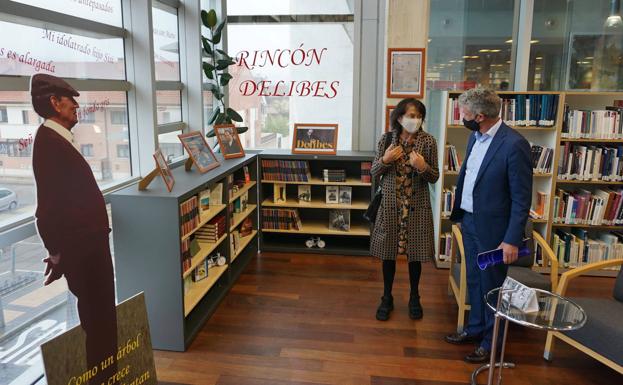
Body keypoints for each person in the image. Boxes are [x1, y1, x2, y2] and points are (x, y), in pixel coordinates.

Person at [31, 74, 118, 383]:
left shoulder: (55, 141)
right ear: (54, 102)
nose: (76, 105)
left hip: (86, 247)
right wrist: (56, 253)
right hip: (85, 251)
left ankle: (106, 376)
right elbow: (48, 209)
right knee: (100, 322)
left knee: (101, 320)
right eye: (70, 100)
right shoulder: (50, 144)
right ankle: (104, 379)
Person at [444, 88, 532, 363]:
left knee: (491, 285)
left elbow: (521, 199)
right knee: (473, 278)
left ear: (480, 116)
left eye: (465, 114)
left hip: (494, 231)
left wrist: (511, 239)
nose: (463, 118)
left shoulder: (514, 145)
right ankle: (474, 329)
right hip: (469, 221)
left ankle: (490, 342)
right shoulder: (475, 136)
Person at [370, 98, 439, 321]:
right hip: (391, 205)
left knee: (415, 255)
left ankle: (414, 296)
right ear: (399, 117)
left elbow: (434, 176)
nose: (415, 120)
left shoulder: (428, 142)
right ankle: (387, 297)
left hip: (416, 206)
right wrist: (386, 159)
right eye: (411, 116)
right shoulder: (386, 140)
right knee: (388, 253)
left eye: (419, 116)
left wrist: (423, 167)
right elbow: (374, 171)